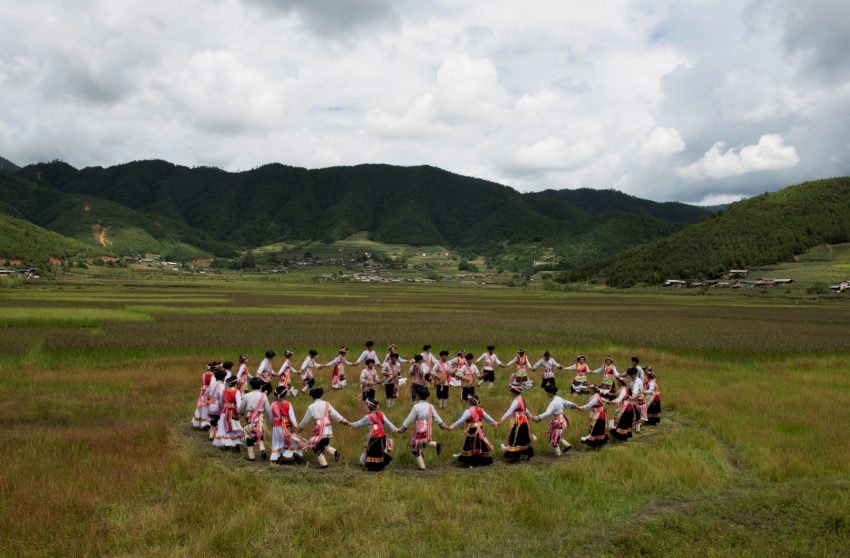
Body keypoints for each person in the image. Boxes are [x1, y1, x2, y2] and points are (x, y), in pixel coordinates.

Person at [297, 388, 352, 468]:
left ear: (312, 397)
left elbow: (305, 421)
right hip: (328, 428)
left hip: (319, 429)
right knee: (323, 444)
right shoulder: (327, 404)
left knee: (315, 446)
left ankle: (323, 464)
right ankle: (334, 452)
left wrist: (299, 429)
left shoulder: (311, 407)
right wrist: (344, 421)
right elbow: (335, 414)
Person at [398, 388, 446, 470]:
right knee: (422, 442)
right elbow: (437, 418)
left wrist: (401, 429)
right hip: (428, 429)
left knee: (414, 445)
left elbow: (409, 419)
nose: (416, 397)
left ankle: (422, 466)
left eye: (417, 395)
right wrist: (443, 426)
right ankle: (435, 445)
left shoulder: (416, 407)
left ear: (419, 396)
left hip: (419, 429)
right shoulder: (431, 406)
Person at [447, 394, 497, 468]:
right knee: (479, 444)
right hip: (480, 430)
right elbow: (488, 417)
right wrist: (494, 423)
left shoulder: (468, 411)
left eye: (468, 400)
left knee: (471, 445)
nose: (467, 401)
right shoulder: (481, 410)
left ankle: (472, 462)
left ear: (470, 402)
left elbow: (461, 420)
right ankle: (481, 459)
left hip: (472, 430)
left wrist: (452, 426)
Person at [351, 398, 397, 471]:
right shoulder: (381, 413)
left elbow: (358, 423)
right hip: (382, 436)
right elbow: (388, 423)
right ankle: (377, 464)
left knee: (372, 451)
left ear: (369, 407)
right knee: (378, 451)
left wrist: (351, 424)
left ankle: (373, 467)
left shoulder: (368, 417)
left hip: (375, 436)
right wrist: (394, 429)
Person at [532, 384, 577, 456]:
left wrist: (537, 418)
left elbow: (547, 413)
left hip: (557, 422)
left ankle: (558, 454)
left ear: (551, 393)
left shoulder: (553, 403)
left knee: (554, 439)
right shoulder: (559, 398)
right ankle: (567, 446)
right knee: (557, 436)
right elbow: (568, 403)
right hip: (562, 420)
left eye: (547, 392)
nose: (547, 394)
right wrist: (575, 406)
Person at [497, 385, 535, 463]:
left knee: (514, 439)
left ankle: (517, 457)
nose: (511, 393)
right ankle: (528, 453)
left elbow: (510, 411)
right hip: (524, 421)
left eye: (512, 392)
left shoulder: (516, 401)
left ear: (514, 392)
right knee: (523, 439)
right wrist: (530, 416)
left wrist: (502, 420)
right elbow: (525, 409)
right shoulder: (522, 399)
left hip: (518, 421)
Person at [268, 385, 304, 464]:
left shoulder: (273, 404)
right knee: (291, 440)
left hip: (276, 426)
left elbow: (271, 417)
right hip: (287, 426)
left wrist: (271, 424)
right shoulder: (288, 404)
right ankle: (295, 456)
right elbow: (292, 416)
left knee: (278, 441)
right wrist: (295, 425)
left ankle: (278, 457)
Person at [240, 378, 272, 461]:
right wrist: (271, 420)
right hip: (260, 418)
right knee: (259, 435)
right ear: (260, 386)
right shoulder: (264, 396)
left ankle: (251, 456)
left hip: (250, 417)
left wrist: (241, 413)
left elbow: (241, 409)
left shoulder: (247, 396)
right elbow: (268, 410)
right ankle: (262, 449)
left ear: (251, 386)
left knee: (249, 436)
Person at [213, 376, 243, 450]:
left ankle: (226, 444)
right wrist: (239, 412)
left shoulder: (224, 391)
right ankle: (237, 444)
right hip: (233, 411)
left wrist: (224, 407)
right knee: (235, 426)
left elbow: (221, 402)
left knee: (225, 427)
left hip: (225, 411)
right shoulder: (236, 391)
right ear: (236, 383)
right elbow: (239, 404)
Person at [607, 376, 634, 441]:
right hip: (622, 406)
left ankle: (624, 437)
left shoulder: (623, 389)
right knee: (620, 421)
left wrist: (613, 401)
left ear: (621, 383)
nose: (617, 382)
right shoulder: (622, 388)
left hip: (625, 407)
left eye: (618, 381)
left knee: (623, 422)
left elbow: (620, 398)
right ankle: (621, 436)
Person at [206, 365, 227, 441]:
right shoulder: (221, 385)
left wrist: (209, 398)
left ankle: (212, 434)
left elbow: (207, 393)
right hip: (217, 406)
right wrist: (222, 406)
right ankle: (218, 435)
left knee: (213, 420)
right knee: (220, 420)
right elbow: (222, 396)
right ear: (223, 378)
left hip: (211, 405)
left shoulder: (212, 384)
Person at [192, 364, 215, 429]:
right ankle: (206, 422)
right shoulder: (213, 376)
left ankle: (201, 421)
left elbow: (203, 383)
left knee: (202, 406)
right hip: (208, 392)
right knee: (207, 406)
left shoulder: (203, 375)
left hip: (203, 392)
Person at [627, 367, 648, 432]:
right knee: (634, 413)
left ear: (635, 374)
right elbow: (630, 388)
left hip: (637, 399)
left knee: (636, 413)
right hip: (633, 398)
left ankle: (638, 429)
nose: (631, 376)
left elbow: (635, 390)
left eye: (631, 374)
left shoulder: (637, 381)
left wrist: (633, 397)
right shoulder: (632, 380)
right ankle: (636, 426)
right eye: (630, 374)